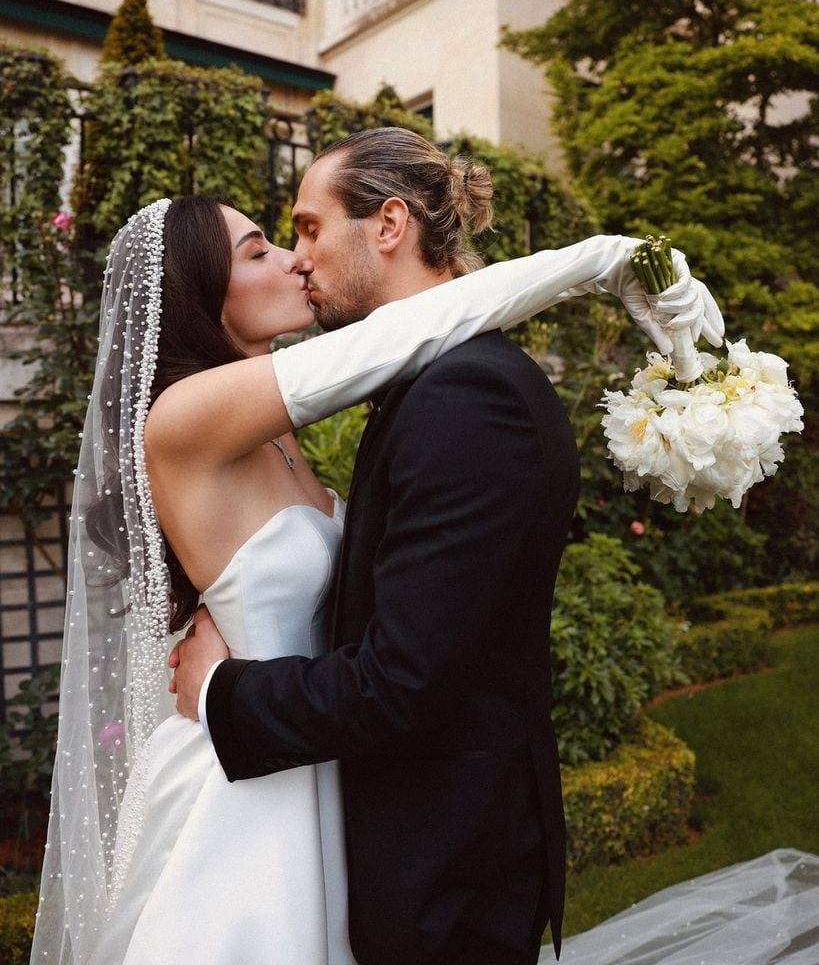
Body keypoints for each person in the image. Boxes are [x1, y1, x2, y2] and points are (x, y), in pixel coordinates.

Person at [167, 129, 724, 965]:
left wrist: (221, 692)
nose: (296, 258)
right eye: (271, 244)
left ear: (388, 225)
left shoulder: (466, 396)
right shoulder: (425, 381)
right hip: (366, 823)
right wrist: (589, 265)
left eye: (309, 228)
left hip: (443, 856)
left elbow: (404, 683)